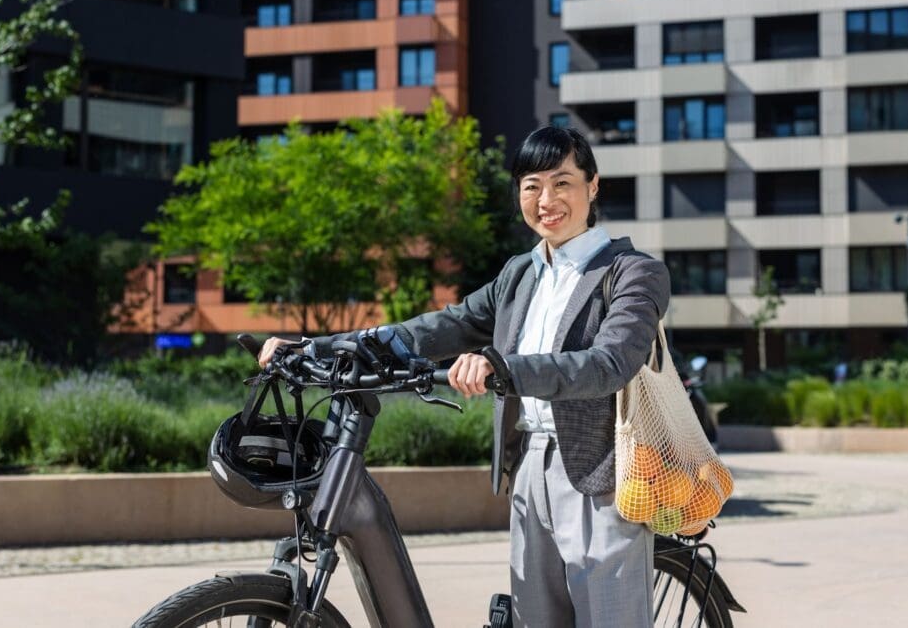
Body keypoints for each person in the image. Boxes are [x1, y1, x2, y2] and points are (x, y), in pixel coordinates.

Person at [259, 126, 670, 627]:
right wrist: (315, 347)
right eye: (532, 186)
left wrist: (503, 367)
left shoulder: (631, 271)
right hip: (527, 467)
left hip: (599, 469)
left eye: (563, 183)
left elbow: (609, 365)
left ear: (593, 185)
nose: (547, 200)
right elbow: (442, 326)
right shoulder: (520, 274)